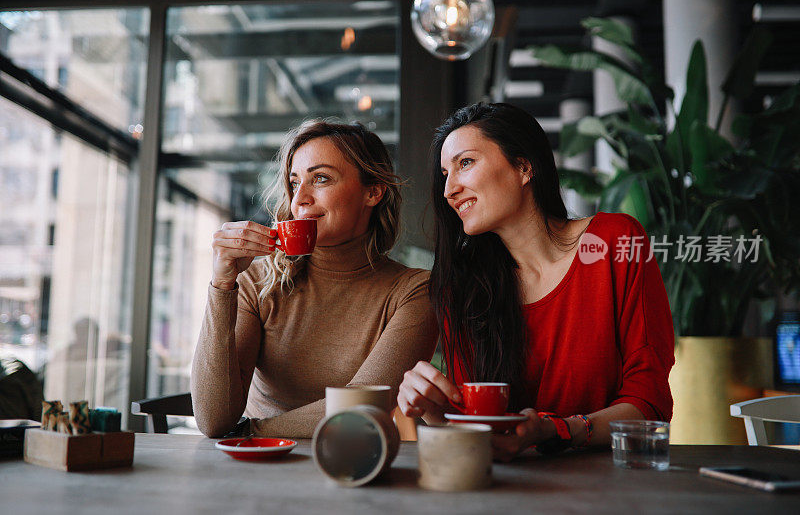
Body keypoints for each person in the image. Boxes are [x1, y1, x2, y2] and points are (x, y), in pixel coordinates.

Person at [397, 103, 674, 461]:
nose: (449, 189)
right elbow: (479, 425)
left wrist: (560, 430)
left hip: (613, 480)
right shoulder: (463, 290)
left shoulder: (614, 241)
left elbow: (650, 402)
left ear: (524, 167)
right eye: (445, 173)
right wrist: (433, 408)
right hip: (509, 486)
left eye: (465, 163)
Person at [192, 120, 438, 438]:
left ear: (373, 192)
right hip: (255, 468)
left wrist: (250, 432)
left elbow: (363, 404)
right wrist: (222, 285)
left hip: (346, 463)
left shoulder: (413, 291)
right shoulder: (257, 279)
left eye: (320, 179)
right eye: (295, 183)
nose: (300, 200)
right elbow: (213, 419)